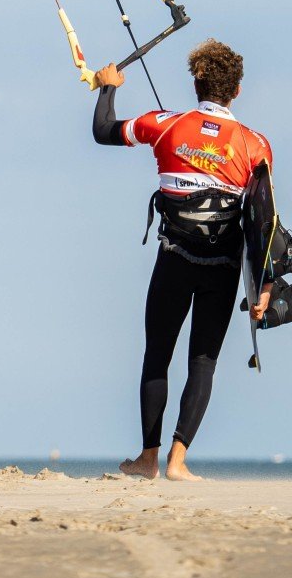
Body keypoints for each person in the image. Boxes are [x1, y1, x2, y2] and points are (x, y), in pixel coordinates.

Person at [91, 40, 278, 481]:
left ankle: (148, 460)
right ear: (237, 90)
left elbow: (103, 130)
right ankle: (178, 460)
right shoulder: (255, 145)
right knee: (203, 361)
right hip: (224, 266)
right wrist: (266, 286)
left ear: (196, 83)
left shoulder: (165, 124)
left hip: (174, 258)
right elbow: (263, 221)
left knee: (158, 352)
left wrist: (107, 87)